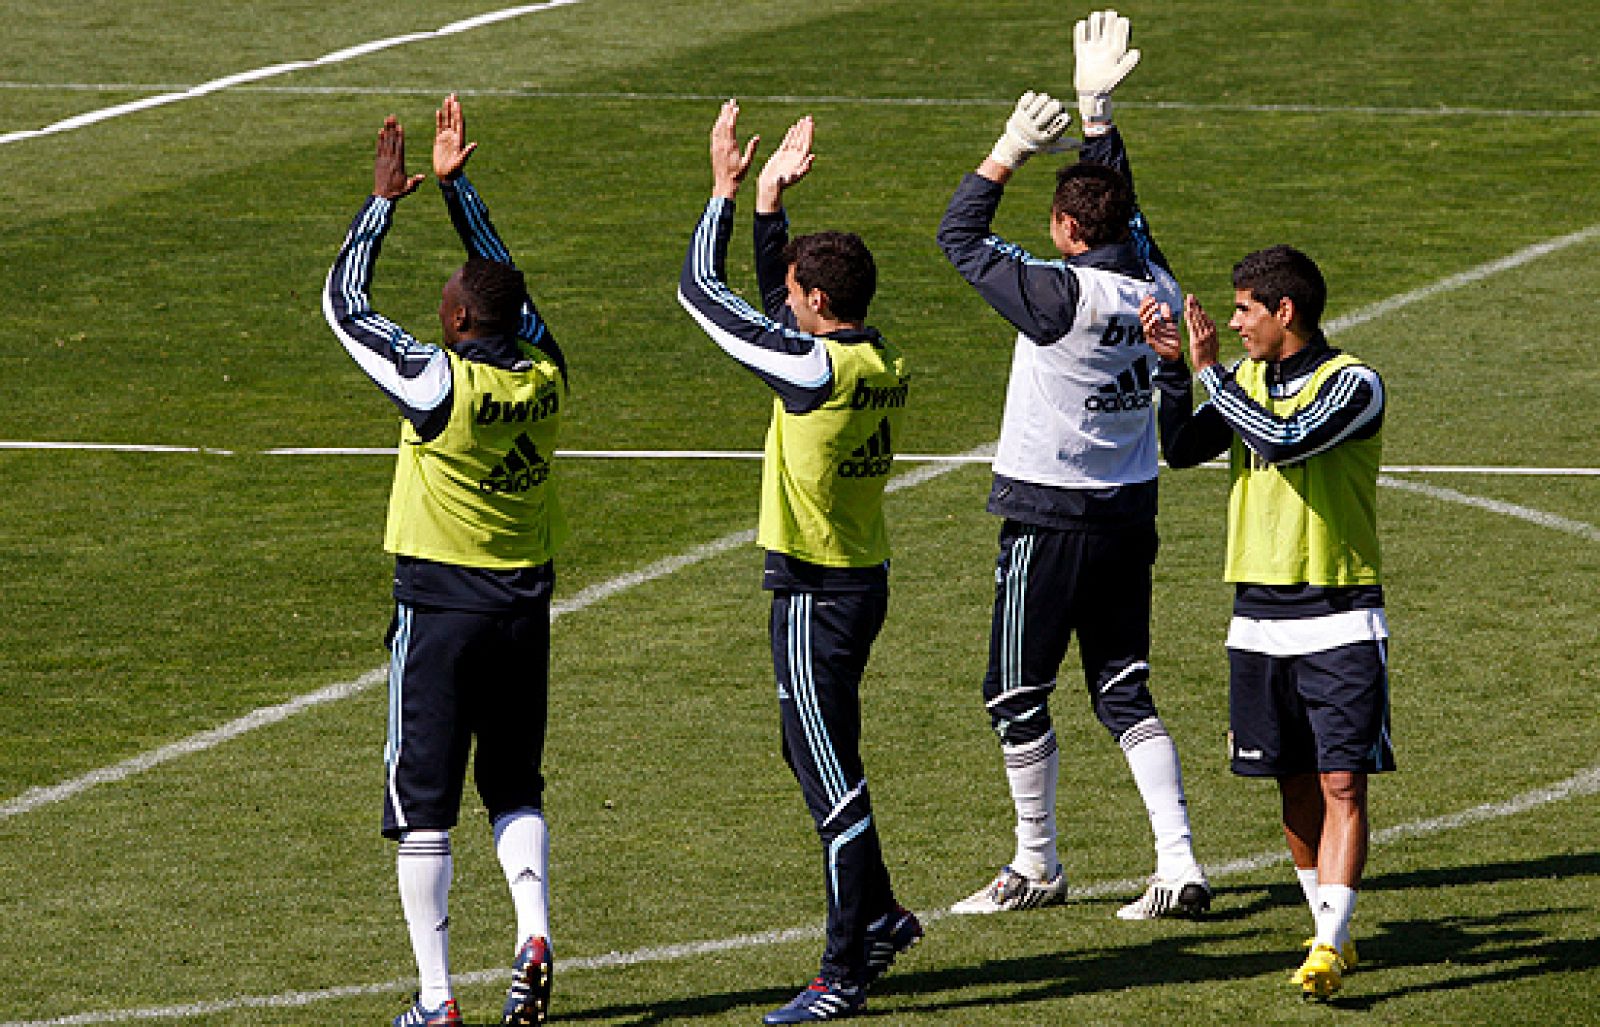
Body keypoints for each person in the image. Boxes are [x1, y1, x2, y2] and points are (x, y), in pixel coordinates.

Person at [937, 10, 1210, 921]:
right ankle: (1179, 862)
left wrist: (1008, 147)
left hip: (1050, 516)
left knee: (1014, 691)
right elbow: (1129, 221)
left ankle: (1037, 861)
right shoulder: (1154, 288)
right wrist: (1099, 121)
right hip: (1129, 510)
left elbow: (960, 237)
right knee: (1123, 685)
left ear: (1061, 227)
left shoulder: (1059, 298)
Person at [676, 101, 921, 1023]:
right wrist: (775, 208)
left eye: (794, 291)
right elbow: (774, 315)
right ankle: (885, 915)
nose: (786, 301)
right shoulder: (871, 354)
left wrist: (726, 194)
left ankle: (843, 969)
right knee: (821, 751)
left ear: (816, 303)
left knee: (830, 780)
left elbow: (704, 295)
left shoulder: (814, 371)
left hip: (818, 595)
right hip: (857, 578)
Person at [322, 96, 563, 1027]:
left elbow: (345, 308)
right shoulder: (546, 376)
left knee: (423, 806)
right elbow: (517, 296)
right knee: (514, 784)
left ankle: (437, 997)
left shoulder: (437, 380)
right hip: (522, 608)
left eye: (453, 290)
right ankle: (533, 931)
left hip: (437, 610)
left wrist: (382, 202)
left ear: (458, 314)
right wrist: (461, 189)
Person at [1140, 246, 1389, 999]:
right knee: (1292, 785)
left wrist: (1211, 374)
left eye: (1246, 308)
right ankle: (1325, 927)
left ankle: (1330, 940)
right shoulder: (1242, 379)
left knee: (1342, 780)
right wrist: (1174, 374)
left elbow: (1285, 437)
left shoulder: (1354, 383)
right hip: (1256, 617)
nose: (1235, 322)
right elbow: (1182, 449)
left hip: (1340, 613)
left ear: (1286, 312)